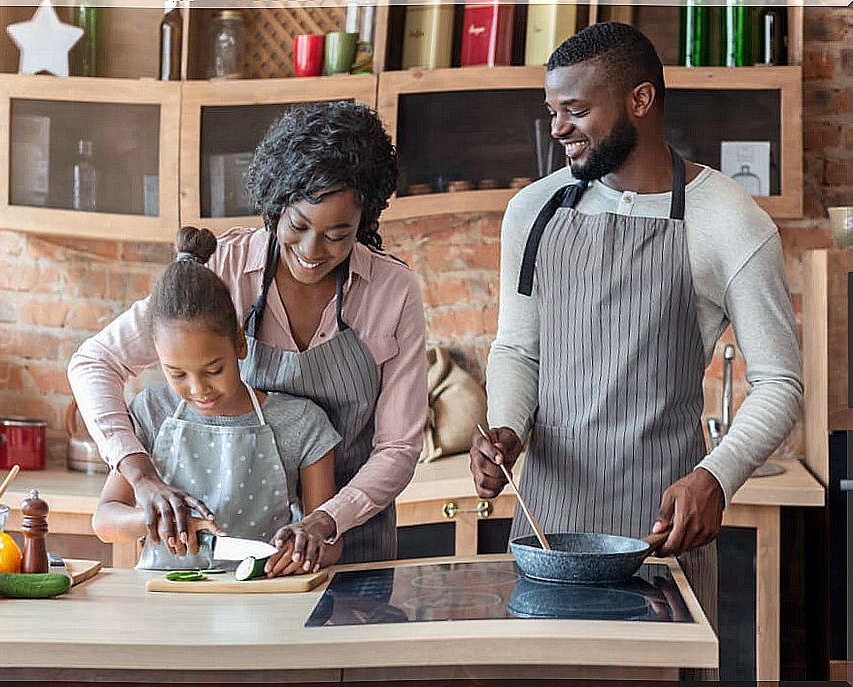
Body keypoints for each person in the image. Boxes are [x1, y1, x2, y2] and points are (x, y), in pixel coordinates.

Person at [470, 22, 801, 678]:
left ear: (641, 101)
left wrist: (716, 475)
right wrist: (506, 425)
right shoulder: (531, 211)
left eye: (577, 110)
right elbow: (517, 348)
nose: (558, 127)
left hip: (660, 538)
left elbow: (780, 381)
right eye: (552, 111)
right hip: (547, 537)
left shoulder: (729, 221)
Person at [70, 101, 427, 567]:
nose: (312, 252)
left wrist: (325, 521)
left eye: (338, 234)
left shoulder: (392, 291)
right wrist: (140, 476)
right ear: (275, 204)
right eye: (297, 226)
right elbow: (95, 361)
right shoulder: (225, 267)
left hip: (350, 537)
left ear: (366, 221)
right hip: (230, 548)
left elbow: (399, 447)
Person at [92, 227, 343, 575]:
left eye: (213, 369)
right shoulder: (152, 412)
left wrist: (307, 548)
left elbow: (330, 544)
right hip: (166, 605)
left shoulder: (301, 422)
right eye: (177, 374)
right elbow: (104, 520)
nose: (198, 389)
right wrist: (153, 518)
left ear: (239, 343)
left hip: (265, 606)